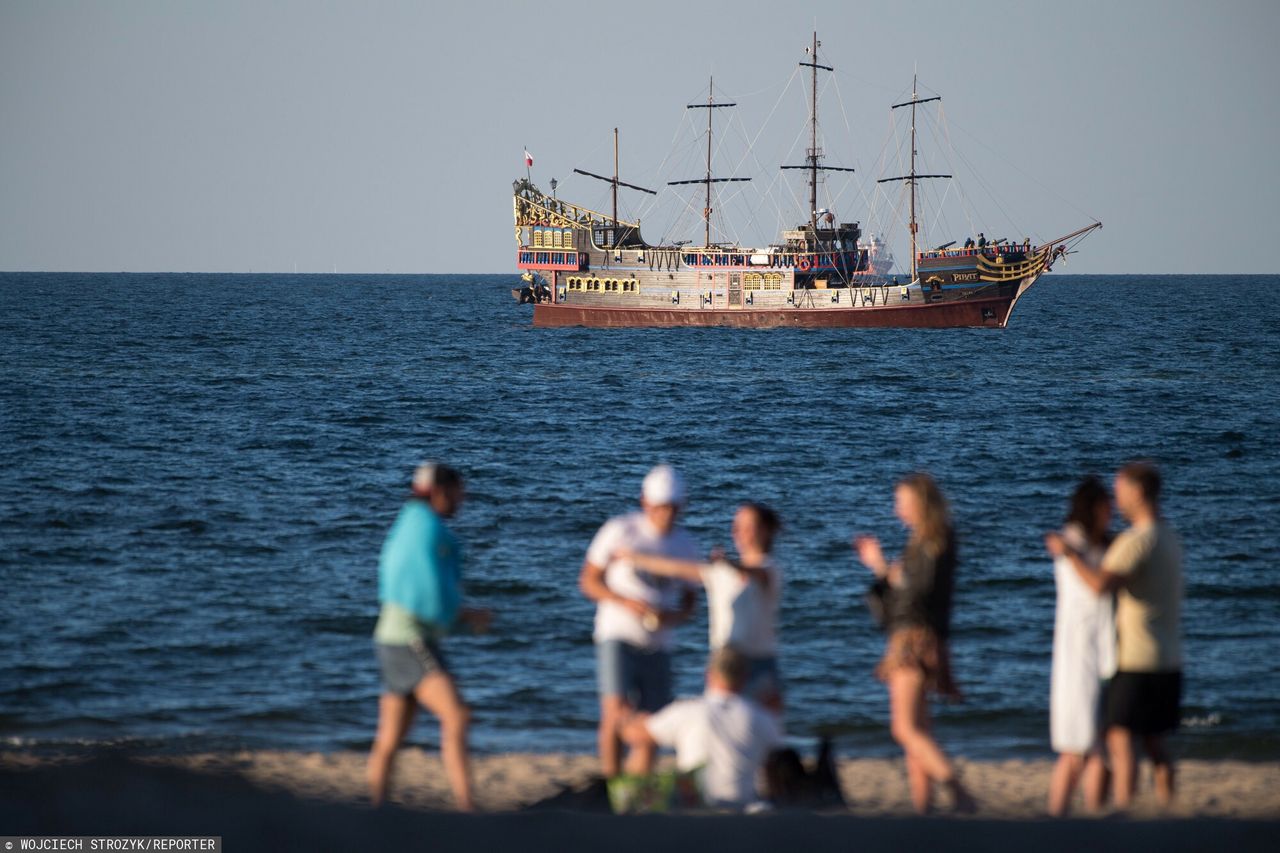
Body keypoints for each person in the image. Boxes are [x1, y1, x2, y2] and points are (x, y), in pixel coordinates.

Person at [1047, 461, 1182, 809]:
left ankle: (1117, 813)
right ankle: (1155, 811)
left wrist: (1070, 553)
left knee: (1115, 744)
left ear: (1136, 493)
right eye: (1108, 499)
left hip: (1129, 658)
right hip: (1151, 657)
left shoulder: (1130, 542)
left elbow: (1100, 586)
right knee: (1132, 744)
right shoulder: (1164, 537)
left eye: (1119, 492)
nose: (1115, 502)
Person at [367, 462, 492, 811]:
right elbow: (431, 593)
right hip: (410, 638)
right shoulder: (428, 530)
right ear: (440, 492)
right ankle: (466, 807)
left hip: (389, 636)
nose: (462, 500)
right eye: (458, 493)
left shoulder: (407, 523)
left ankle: (376, 807)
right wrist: (467, 614)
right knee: (456, 716)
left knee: (391, 735)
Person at [855, 472, 975, 815]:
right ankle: (924, 809)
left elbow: (913, 594)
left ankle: (957, 790)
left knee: (904, 727)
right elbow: (933, 597)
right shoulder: (935, 541)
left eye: (902, 503)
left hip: (912, 639)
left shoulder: (929, 543)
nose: (898, 511)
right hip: (924, 636)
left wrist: (879, 567)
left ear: (920, 502)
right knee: (919, 729)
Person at [580, 464, 701, 777]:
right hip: (617, 633)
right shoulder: (621, 530)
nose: (667, 515)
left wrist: (670, 617)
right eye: (661, 508)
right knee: (615, 711)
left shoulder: (685, 545)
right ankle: (610, 782)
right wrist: (625, 602)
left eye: (673, 508)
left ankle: (637, 790)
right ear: (645, 503)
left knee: (653, 721)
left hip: (659, 642)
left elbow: (690, 604)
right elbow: (589, 581)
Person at [617, 502, 784, 711]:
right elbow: (675, 568)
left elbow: (754, 573)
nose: (739, 533)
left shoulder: (769, 569)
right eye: (736, 527)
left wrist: (729, 564)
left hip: (759, 662)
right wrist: (635, 558)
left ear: (765, 531)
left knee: (764, 730)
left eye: (747, 527)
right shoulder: (720, 571)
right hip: (723, 663)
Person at [621, 646, 784, 811]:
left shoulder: (689, 711)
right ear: (744, 678)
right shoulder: (760, 717)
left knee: (645, 745)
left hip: (695, 805)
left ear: (709, 675)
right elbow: (779, 756)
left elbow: (635, 735)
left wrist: (628, 715)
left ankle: (631, 811)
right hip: (742, 805)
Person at [1044, 477, 1116, 816]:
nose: (1112, 511)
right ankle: (1085, 824)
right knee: (1084, 749)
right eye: (1106, 505)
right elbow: (1095, 587)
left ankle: (1074, 820)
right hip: (1081, 655)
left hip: (1095, 652)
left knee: (1087, 748)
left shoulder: (1090, 543)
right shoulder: (1073, 544)